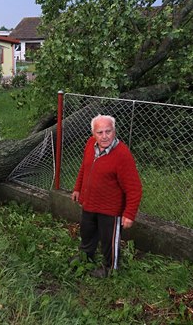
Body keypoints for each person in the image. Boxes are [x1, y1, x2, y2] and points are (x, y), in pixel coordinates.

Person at [71, 114, 143, 277]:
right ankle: (85, 257)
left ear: (114, 131)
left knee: (108, 241)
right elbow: (85, 168)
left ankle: (110, 268)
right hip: (89, 203)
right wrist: (77, 189)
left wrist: (129, 214)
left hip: (110, 209)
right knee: (87, 233)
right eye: (100, 132)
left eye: (108, 131)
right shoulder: (90, 144)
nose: (104, 136)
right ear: (93, 134)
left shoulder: (122, 155)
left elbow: (134, 188)